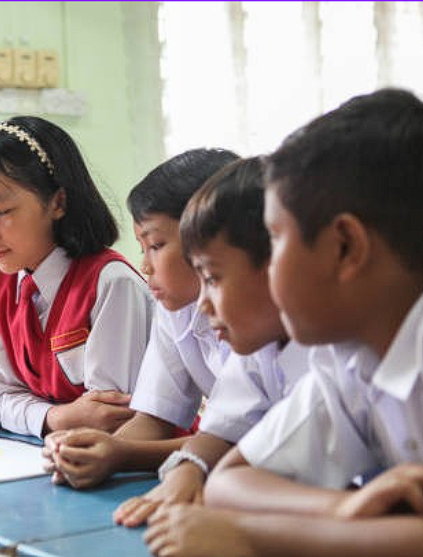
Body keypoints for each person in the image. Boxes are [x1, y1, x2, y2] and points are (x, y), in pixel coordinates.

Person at [144, 89, 423, 557]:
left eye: (275, 241)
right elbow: (231, 481)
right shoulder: (349, 359)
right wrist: (344, 509)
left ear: (345, 247)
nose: (268, 271)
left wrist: (253, 536)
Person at [115, 157, 312, 527]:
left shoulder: (329, 352)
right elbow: (222, 435)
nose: (204, 305)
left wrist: (245, 534)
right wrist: (188, 469)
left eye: (213, 278)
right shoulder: (261, 343)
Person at [42, 149, 236, 491]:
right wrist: (92, 449)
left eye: (156, 245)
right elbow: (155, 417)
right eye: (142, 247)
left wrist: (122, 454)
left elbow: (245, 440)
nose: (144, 265)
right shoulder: (175, 308)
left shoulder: (260, 322)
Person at [0, 116, 152, 438]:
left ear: (58, 202)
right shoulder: (2, 286)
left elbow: (108, 418)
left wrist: (34, 414)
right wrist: (57, 417)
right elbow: (0, 398)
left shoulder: (111, 284)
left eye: (1, 212)